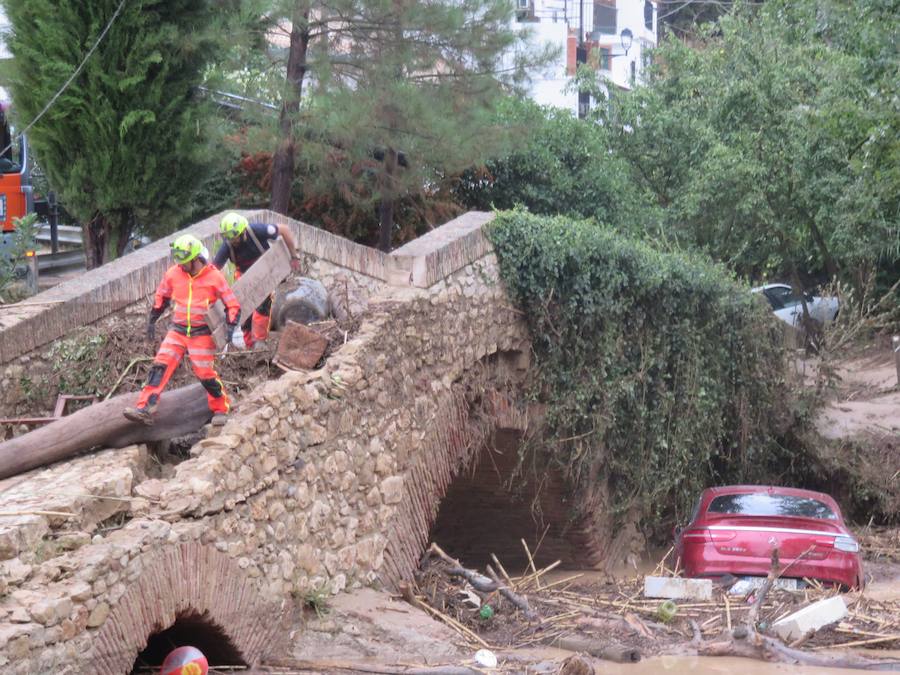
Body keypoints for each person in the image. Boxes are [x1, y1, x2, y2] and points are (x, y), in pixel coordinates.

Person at [123, 234, 240, 426]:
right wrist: (152, 319)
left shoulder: (214, 277)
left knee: (204, 373)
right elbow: (162, 295)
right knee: (160, 366)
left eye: (185, 262)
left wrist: (230, 326)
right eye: (179, 261)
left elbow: (232, 304)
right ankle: (145, 408)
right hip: (177, 331)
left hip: (201, 334)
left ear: (195, 258)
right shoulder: (173, 274)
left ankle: (221, 408)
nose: (181, 265)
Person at [213, 212, 301, 349]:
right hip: (244, 274)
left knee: (263, 303)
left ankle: (259, 340)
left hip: (265, 269)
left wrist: (294, 257)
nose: (233, 242)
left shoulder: (256, 231)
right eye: (230, 239)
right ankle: (250, 345)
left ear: (243, 232)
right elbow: (213, 270)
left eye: (235, 238)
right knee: (242, 311)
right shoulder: (227, 246)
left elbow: (284, 229)